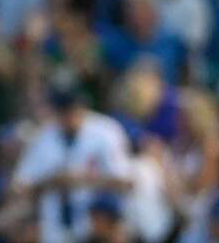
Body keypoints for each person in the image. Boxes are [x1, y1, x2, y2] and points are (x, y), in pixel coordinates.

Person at [12, 71, 134, 243]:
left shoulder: (106, 131)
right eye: (62, 108)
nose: (67, 113)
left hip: (97, 227)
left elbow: (126, 181)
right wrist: (52, 181)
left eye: (70, 106)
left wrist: (83, 179)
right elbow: (19, 185)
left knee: (114, 223)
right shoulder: (44, 137)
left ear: (82, 103)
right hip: (54, 228)